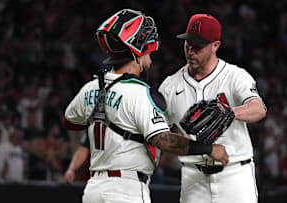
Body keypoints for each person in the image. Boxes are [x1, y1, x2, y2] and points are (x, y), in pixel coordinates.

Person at [62, 9, 229, 203]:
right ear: (138, 54)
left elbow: (70, 121)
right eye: (148, 53)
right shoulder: (138, 92)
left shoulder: (90, 88)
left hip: (93, 191)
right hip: (126, 190)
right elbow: (163, 140)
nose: (150, 59)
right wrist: (209, 149)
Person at [158, 13, 267, 203]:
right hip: (193, 178)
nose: (190, 51)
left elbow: (258, 108)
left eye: (198, 46)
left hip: (235, 175)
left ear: (215, 45)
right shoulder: (169, 86)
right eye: (188, 44)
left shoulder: (234, 76)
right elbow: (159, 135)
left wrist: (230, 112)